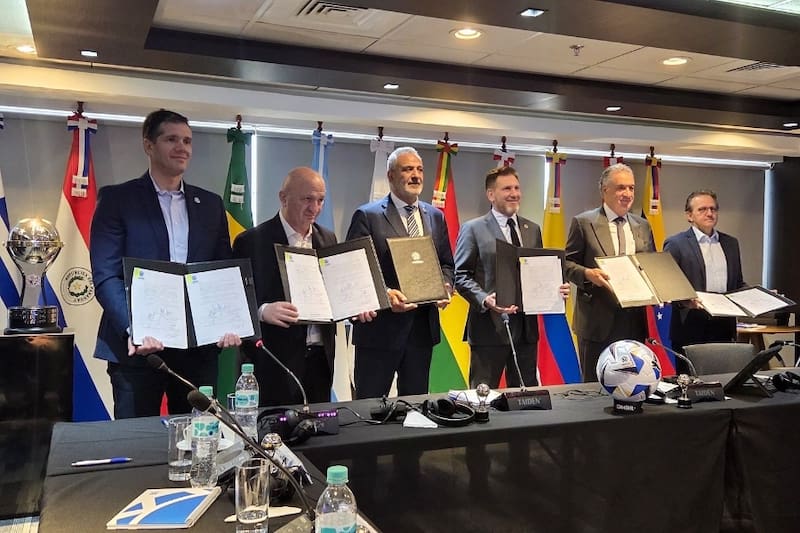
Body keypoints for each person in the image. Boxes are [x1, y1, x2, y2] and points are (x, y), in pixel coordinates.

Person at [91, 109, 241, 419]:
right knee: (138, 442)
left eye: (187, 140)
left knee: (197, 438)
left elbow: (221, 272)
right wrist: (135, 328)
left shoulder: (210, 204)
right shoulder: (118, 200)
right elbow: (106, 276)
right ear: (148, 145)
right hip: (137, 349)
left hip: (197, 350)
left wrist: (229, 321)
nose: (182, 147)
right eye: (171, 139)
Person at [232, 167, 375, 406]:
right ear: (283, 197)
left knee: (317, 433)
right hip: (274, 361)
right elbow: (234, 301)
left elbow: (335, 292)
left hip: (320, 359)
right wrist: (262, 311)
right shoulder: (252, 241)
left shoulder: (327, 238)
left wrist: (356, 308)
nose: (315, 208)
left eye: (320, 200)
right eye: (307, 199)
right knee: (272, 434)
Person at [346, 146, 454, 399]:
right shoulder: (367, 216)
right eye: (407, 169)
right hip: (379, 332)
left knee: (415, 408)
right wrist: (385, 294)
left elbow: (447, 265)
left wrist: (445, 287)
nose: (416, 175)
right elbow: (355, 271)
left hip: (421, 333)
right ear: (391, 176)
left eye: (419, 169)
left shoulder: (435, 216)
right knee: (369, 409)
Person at [455, 166, 570, 387]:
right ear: (491, 194)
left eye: (517, 188)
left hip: (526, 333)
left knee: (526, 400)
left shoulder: (532, 229)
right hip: (488, 331)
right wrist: (485, 299)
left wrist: (557, 288)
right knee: (483, 400)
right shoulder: (473, 229)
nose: (514, 193)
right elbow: (461, 275)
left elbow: (539, 272)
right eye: (507, 188)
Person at [564, 162, 655, 382]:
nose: (627, 194)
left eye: (631, 188)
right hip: (597, 320)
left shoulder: (643, 225)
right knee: (594, 389)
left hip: (633, 320)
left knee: (633, 383)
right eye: (621, 188)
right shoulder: (584, 222)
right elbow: (566, 264)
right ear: (605, 191)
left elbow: (652, 266)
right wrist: (588, 274)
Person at [664, 189, 745, 354]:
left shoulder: (731, 243)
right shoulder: (676, 244)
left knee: (724, 377)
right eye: (702, 209)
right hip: (690, 327)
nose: (709, 213)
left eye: (713, 209)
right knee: (692, 379)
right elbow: (667, 286)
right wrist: (686, 301)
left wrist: (759, 296)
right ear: (689, 215)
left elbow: (737, 283)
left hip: (724, 327)